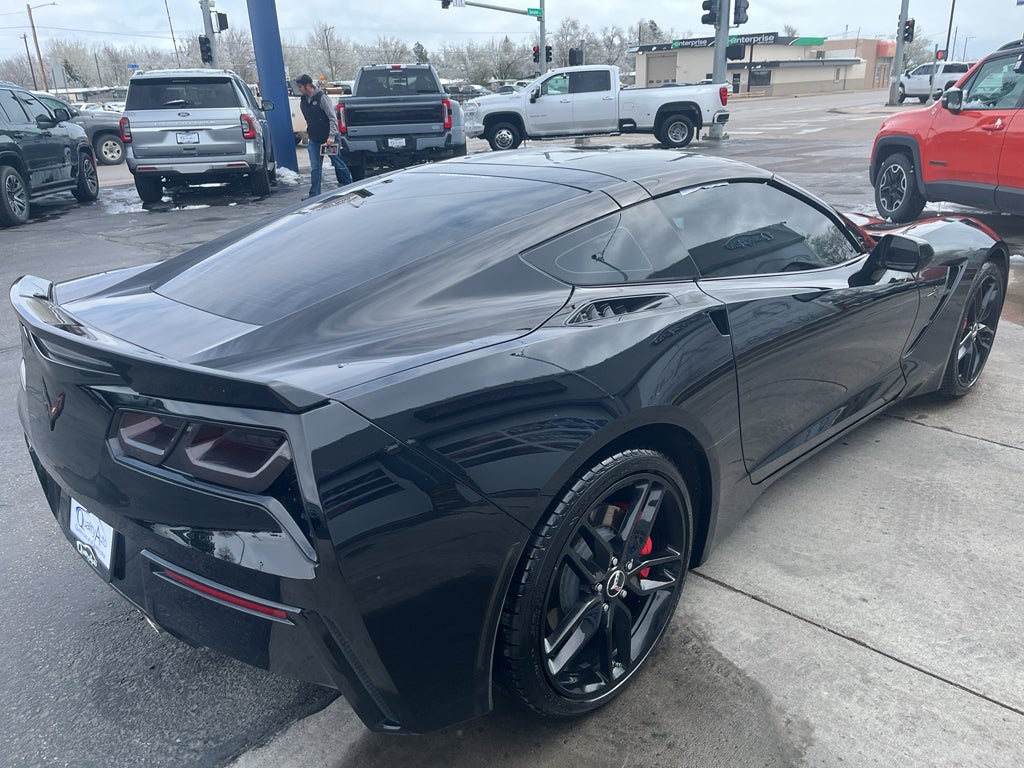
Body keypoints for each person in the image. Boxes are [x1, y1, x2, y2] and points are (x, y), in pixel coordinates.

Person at [296, 74, 352, 198]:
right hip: (314, 140)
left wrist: (331, 136)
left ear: (308, 85)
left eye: (300, 86)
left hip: (328, 140)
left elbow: (332, 118)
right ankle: (314, 195)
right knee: (315, 168)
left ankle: (349, 188)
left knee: (338, 164)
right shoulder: (303, 101)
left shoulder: (322, 98)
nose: (299, 89)